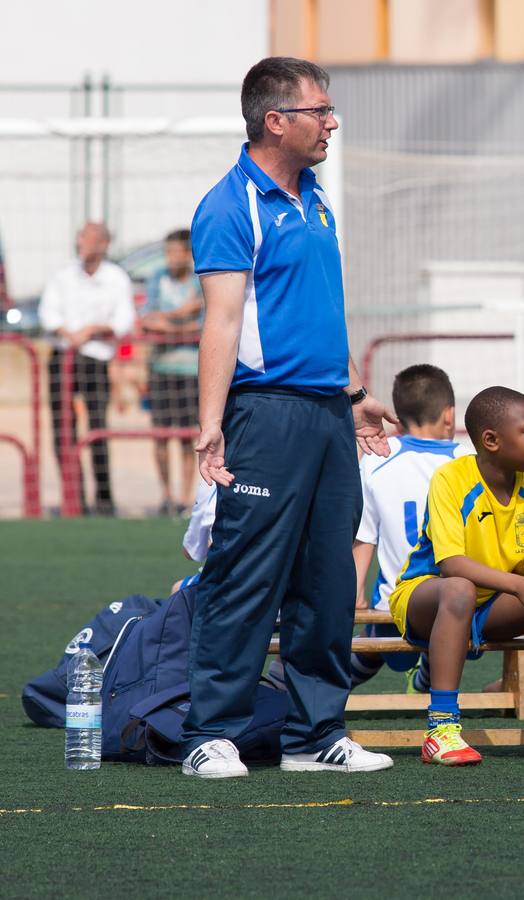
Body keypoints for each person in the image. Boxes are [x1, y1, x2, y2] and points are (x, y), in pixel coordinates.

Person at [181, 57, 394, 779]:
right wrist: (212, 424)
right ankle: (209, 734)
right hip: (264, 416)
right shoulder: (227, 205)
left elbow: (319, 308)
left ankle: (315, 734)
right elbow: (222, 320)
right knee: (244, 575)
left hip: (329, 416)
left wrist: (356, 392)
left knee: (329, 580)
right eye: (321, 110)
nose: (333, 121)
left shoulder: (318, 195)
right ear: (277, 120)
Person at [385, 386, 524, 766]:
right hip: (429, 600)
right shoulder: (451, 479)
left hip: (495, 605)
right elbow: (451, 564)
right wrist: (521, 585)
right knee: (459, 589)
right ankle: (442, 729)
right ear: (490, 440)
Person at [351, 364, 463, 689]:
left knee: (375, 641)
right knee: (454, 626)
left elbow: (364, 533)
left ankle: (314, 689)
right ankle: (427, 676)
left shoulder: (376, 458)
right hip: (460, 600)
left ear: (396, 415)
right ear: (449, 415)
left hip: (394, 604)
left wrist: (356, 587)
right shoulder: (469, 461)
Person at [39, 221, 135, 516]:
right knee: (62, 431)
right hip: (63, 357)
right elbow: (48, 313)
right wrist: (69, 334)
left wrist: (93, 329)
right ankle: (73, 500)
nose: (80, 242)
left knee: (97, 431)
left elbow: (124, 321)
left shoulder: (116, 278)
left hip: (95, 360)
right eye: (80, 236)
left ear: (103, 244)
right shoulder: (64, 275)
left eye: (86, 237)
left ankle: (104, 500)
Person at [142, 228, 204, 515]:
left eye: (174, 252)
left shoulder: (201, 280)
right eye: (166, 253)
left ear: (188, 254)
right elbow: (148, 320)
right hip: (161, 368)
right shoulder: (157, 279)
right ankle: (165, 496)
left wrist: (167, 325)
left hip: (190, 370)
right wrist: (181, 315)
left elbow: (205, 324)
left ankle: (184, 499)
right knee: (160, 435)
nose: (169, 258)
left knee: (187, 437)